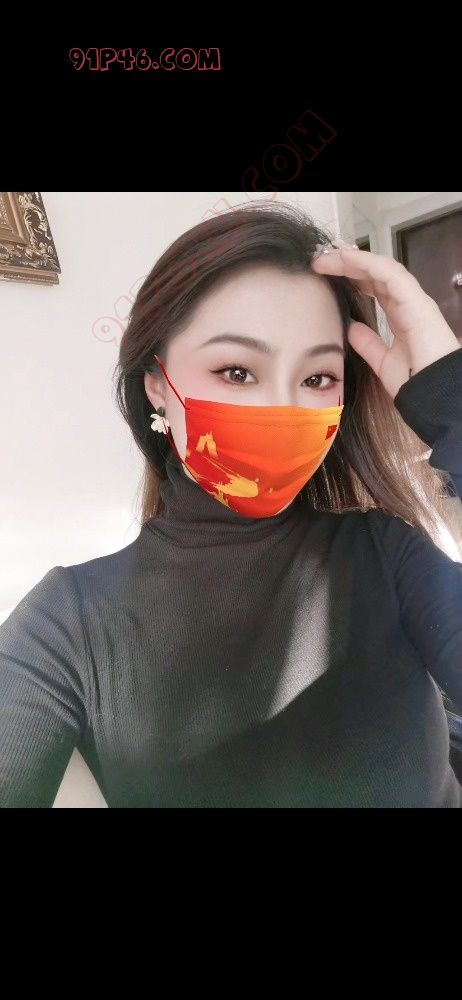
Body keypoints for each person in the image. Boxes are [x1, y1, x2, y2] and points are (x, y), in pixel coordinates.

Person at [1, 201, 462, 808]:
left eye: (318, 378)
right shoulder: (70, 622)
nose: (284, 409)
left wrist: (451, 407)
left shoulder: (387, 553)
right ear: (157, 385)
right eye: (238, 372)